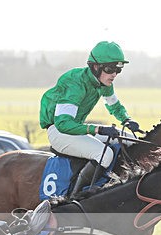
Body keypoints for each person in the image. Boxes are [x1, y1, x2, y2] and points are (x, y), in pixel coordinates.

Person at [39, 41, 142, 196]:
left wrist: (126, 119)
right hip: (59, 132)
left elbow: (114, 105)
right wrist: (99, 129)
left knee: (130, 140)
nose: (114, 74)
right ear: (95, 67)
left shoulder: (105, 83)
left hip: (75, 129)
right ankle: (75, 197)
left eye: (118, 70)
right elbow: (63, 124)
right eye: (110, 69)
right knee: (105, 154)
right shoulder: (75, 83)